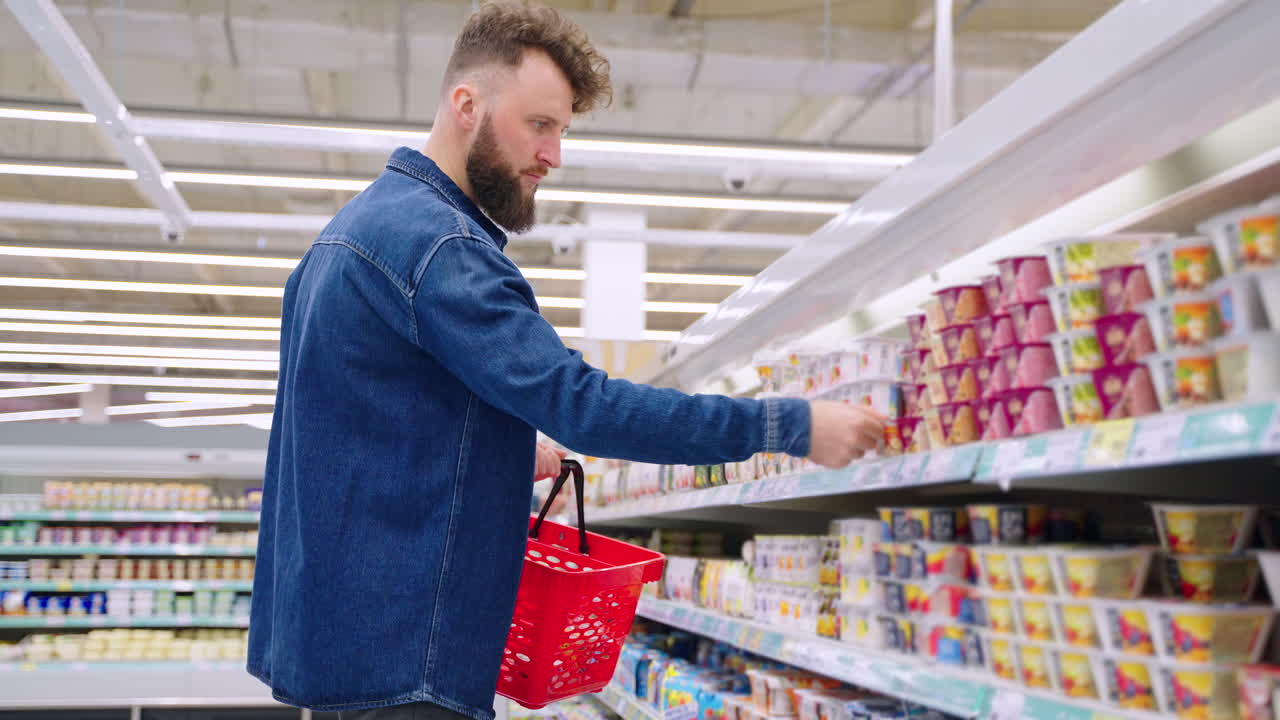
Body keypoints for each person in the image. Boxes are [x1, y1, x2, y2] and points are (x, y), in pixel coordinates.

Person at [246, 4, 886, 720]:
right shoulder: (441, 249)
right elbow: (588, 406)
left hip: (350, 643)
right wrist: (791, 425)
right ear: (467, 105)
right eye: (540, 125)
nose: (554, 155)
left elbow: (357, 429)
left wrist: (493, 447)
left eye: (562, 131)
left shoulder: (348, 234)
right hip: (409, 656)